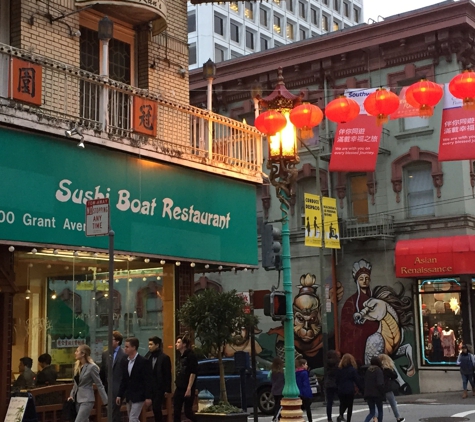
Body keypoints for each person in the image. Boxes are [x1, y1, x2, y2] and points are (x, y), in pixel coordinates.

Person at [340, 259, 379, 366]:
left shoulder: (375, 300)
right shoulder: (351, 301)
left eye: (367, 278)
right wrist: (361, 328)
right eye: (361, 278)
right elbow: (345, 324)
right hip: (358, 340)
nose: (364, 281)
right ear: (357, 280)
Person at [116, 337, 153, 422]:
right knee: (132, 418)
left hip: (139, 395)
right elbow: (124, 380)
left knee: (133, 418)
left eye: (127, 347)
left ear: (134, 347)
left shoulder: (143, 361)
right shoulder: (125, 361)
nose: (125, 349)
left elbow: (148, 380)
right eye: (125, 346)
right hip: (129, 395)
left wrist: (148, 397)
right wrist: (119, 395)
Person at [68, 345, 108, 422]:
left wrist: (106, 402)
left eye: (77, 351)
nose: (75, 353)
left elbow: (99, 384)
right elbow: (76, 384)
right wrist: (71, 395)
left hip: (87, 399)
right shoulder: (77, 366)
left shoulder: (92, 367)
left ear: (83, 354)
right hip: (77, 399)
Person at [100, 331, 127, 422]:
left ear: (117, 341)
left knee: (114, 411)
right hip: (108, 387)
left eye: (111, 339)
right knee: (111, 412)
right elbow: (103, 371)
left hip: (119, 387)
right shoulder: (105, 354)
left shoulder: (124, 354)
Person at [147, 336, 172, 422]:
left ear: (157, 345)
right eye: (148, 344)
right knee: (154, 408)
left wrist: (167, 389)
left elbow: (167, 374)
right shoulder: (149, 357)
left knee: (157, 407)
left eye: (151, 344)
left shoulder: (164, 358)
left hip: (160, 388)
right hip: (151, 388)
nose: (149, 346)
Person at [174, 334, 198, 422]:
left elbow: (193, 372)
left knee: (188, 412)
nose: (176, 344)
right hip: (179, 386)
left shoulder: (191, 356)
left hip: (187, 387)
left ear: (184, 344)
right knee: (176, 410)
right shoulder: (179, 356)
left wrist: (189, 388)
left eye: (178, 342)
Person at [335, 353, 363, 422]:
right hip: (349, 389)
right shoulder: (352, 370)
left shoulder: (339, 369)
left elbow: (336, 380)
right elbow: (357, 380)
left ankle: (341, 415)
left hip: (341, 389)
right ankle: (348, 420)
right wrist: (361, 389)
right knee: (349, 406)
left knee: (342, 403)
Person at [379, 354, 404, 422]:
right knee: (393, 403)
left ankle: (376, 419)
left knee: (378, 405)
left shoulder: (378, 369)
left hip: (378, 389)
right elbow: (395, 376)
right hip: (387, 388)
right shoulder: (387, 369)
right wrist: (391, 367)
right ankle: (398, 417)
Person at [363, 356, 385, 422]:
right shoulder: (378, 370)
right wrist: (383, 392)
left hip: (368, 393)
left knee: (372, 412)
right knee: (380, 410)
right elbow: (380, 383)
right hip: (377, 394)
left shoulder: (368, 370)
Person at [325, 350, 341, 422]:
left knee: (329, 402)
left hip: (329, 384)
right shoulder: (337, 364)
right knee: (342, 400)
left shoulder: (328, 364)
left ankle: (329, 418)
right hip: (336, 383)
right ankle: (341, 415)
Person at [295, 357, 313, 422]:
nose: (307, 365)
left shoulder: (296, 373)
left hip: (298, 393)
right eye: (306, 364)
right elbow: (306, 384)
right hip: (305, 393)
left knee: (299, 408)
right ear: (302, 365)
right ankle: (310, 420)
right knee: (308, 408)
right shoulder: (304, 373)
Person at [269, 357, 284, 421]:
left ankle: (278, 416)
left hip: (274, 389)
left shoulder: (272, 372)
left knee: (276, 404)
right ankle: (276, 416)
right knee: (280, 405)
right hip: (281, 390)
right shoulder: (282, 371)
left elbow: (269, 378)